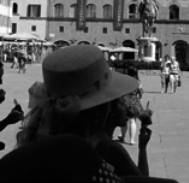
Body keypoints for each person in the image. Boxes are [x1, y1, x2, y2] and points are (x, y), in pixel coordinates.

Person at [0, 44, 177, 182]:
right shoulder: (78, 150)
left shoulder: (38, 143)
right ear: (99, 113)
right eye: (115, 100)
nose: (124, 103)